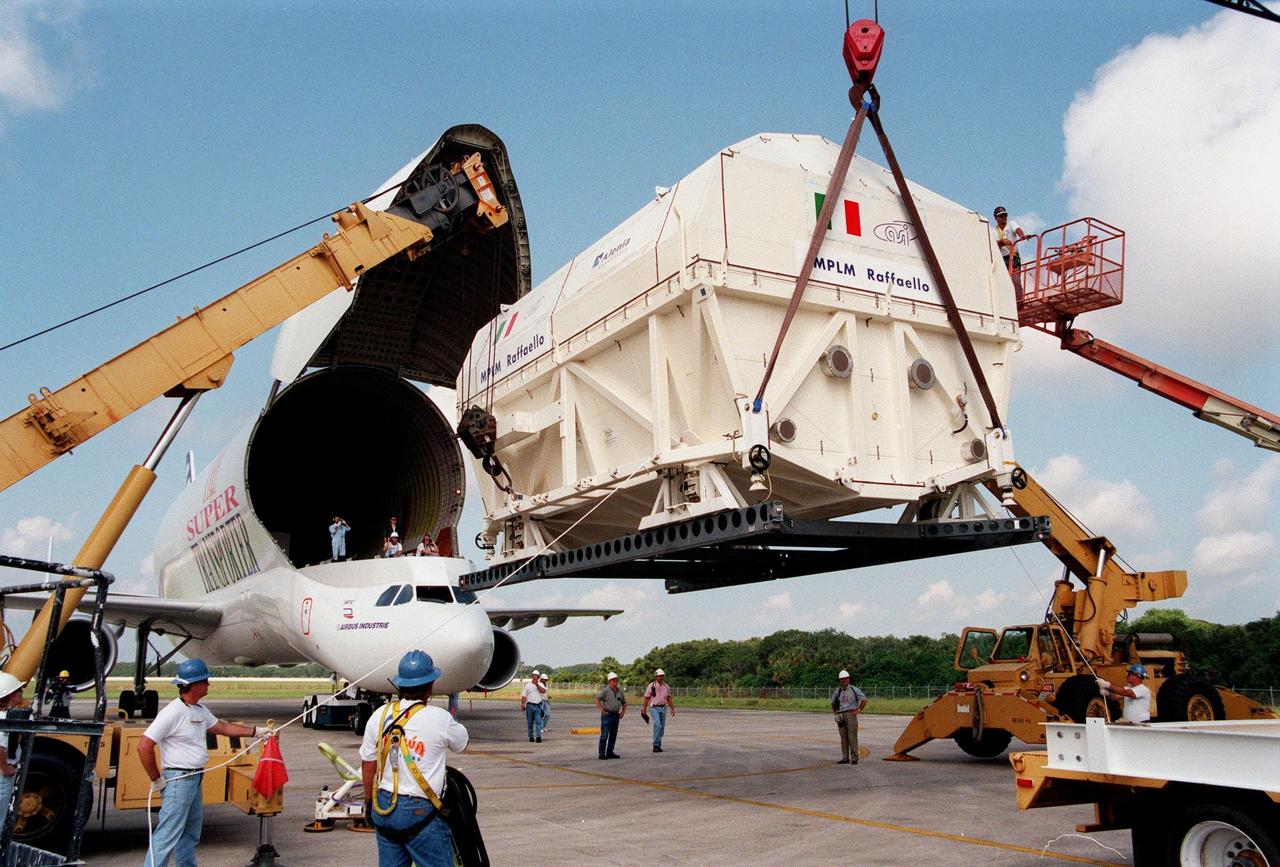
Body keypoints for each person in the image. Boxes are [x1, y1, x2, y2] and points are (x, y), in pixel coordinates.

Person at [140, 659, 271, 867]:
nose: (208, 685)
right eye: (205, 681)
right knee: (167, 835)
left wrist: (256, 732)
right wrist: (156, 779)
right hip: (178, 780)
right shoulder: (172, 713)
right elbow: (144, 746)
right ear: (194, 684)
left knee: (190, 834)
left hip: (194, 778)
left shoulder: (199, 710)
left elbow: (223, 728)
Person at [360, 650, 468, 867]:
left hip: (384, 806)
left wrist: (369, 802)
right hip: (420, 811)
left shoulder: (379, 715)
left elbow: (368, 762)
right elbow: (461, 744)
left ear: (400, 685)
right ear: (430, 687)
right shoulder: (439, 718)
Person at [0, 672, 27, 832]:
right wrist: (6, 769)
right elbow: (0, 748)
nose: (22, 693)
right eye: (19, 690)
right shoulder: (5, 719)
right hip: (3, 776)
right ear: (9, 695)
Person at [830, 669, 868, 764]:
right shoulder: (838, 691)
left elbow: (864, 700)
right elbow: (833, 702)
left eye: (846, 679)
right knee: (843, 738)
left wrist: (858, 710)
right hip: (841, 715)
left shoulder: (854, 689)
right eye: (842, 679)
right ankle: (845, 758)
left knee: (852, 737)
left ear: (849, 679)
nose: (844, 681)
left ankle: (854, 758)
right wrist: (835, 713)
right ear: (840, 681)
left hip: (851, 714)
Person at [992, 206, 1028, 292]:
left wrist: (1022, 235)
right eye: (1001, 216)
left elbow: (1018, 230)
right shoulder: (993, 231)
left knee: (1016, 281)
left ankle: (1019, 303)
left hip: (1013, 258)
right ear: (996, 218)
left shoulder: (1011, 224)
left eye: (1005, 215)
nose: (1004, 217)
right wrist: (1002, 242)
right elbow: (993, 244)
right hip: (1002, 260)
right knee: (1003, 283)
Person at [642, 668, 676, 753]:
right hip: (654, 707)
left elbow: (669, 698)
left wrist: (672, 708)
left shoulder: (666, 687)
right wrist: (644, 709)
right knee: (657, 725)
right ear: (656, 677)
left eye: (662, 676)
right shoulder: (651, 686)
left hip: (663, 708)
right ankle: (656, 745)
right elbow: (646, 698)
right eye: (659, 676)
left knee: (661, 728)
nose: (661, 678)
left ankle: (658, 744)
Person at [595, 672, 626, 759]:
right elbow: (597, 699)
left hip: (616, 716)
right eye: (613, 680)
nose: (615, 682)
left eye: (616, 680)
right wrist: (602, 709)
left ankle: (610, 752)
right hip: (607, 715)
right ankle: (601, 753)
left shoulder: (620, 691)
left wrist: (623, 712)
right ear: (609, 681)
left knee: (613, 735)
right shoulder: (606, 691)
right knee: (604, 735)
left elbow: (624, 703)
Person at [520, 670, 545, 742]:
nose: (535, 677)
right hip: (530, 706)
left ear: (538, 677)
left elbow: (543, 691)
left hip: (538, 706)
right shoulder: (527, 685)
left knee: (538, 722)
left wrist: (537, 685)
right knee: (530, 722)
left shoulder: (541, 684)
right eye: (533, 675)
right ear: (532, 676)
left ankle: (538, 737)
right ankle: (531, 736)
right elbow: (524, 696)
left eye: (536, 676)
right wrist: (522, 704)